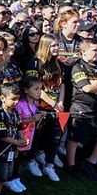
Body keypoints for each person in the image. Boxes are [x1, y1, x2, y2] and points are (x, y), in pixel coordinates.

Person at [68, 38, 97, 180]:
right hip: (81, 109)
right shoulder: (78, 67)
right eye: (95, 50)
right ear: (83, 52)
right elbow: (87, 88)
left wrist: (94, 83)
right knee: (75, 139)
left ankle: (90, 163)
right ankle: (71, 166)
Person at [25, 34, 64, 181]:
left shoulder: (57, 63)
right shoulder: (34, 63)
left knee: (54, 137)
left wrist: (59, 102)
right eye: (53, 45)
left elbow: (62, 84)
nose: (56, 48)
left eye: (57, 45)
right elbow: (35, 89)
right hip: (39, 107)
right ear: (45, 46)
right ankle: (32, 161)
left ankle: (49, 165)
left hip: (55, 108)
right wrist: (53, 104)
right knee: (36, 137)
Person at [8, 77, 44, 193]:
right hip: (19, 137)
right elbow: (15, 122)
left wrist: (39, 114)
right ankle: (9, 178)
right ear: (26, 90)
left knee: (21, 158)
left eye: (40, 89)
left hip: (29, 136)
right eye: (36, 89)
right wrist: (32, 119)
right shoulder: (20, 104)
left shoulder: (34, 104)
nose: (39, 92)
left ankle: (16, 177)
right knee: (15, 158)